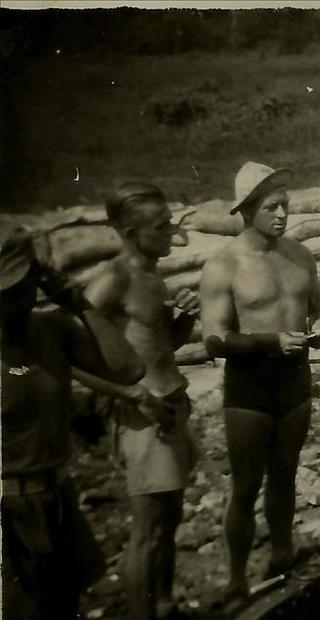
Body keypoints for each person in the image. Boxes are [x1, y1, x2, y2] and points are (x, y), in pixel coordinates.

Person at [199, 161, 320, 610]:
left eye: (285, 205)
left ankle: (282, 557)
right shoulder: (224, 265)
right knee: (245, 486)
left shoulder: (300, 256)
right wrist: (269, 342)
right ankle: (237, 580)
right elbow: (214, 339)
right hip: (249, 389)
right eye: (272, 207)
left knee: (285, 476)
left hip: (294, 383)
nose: (282, 214)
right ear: (247, 210)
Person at [1, 224, 146, 619]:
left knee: (65, 607)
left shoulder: (52, 330)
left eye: (18, 287)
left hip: (57, 495)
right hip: (7, 508)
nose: (12, 301)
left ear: (36, 278)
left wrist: (77, 301)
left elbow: (129, 369)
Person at [70, 182, 199, 619]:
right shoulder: (114, 279)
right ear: (130, 232)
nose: (171, 233)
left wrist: (184, 320)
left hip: (170, 407)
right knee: (147, 530)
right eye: (161, 226)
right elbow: (68, 354)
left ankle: (163, 606)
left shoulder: (152, 273)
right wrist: (127, 394)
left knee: (169, 519)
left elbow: (158, 347)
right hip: (143, 418)